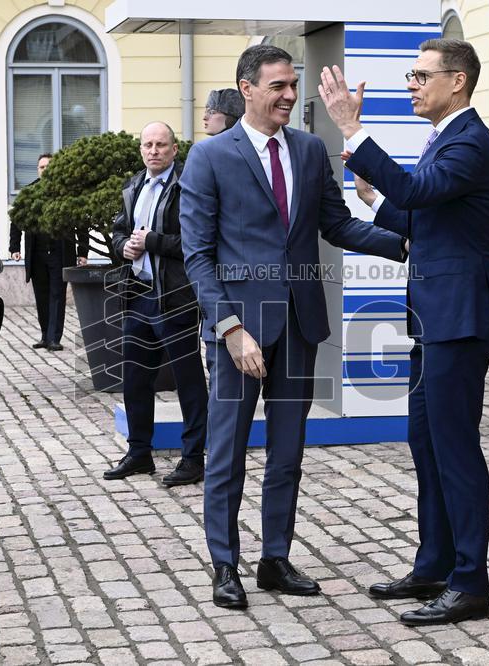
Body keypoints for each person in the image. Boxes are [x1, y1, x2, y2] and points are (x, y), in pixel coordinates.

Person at [180, 45, 408, 610]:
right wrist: (230, 327)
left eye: (292, 84)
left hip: (301, 325)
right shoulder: (210, 157)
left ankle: (274, 559)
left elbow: (336, 224)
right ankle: (224, 564)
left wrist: (405, 243)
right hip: (240, 332)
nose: (289, 95)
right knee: (227, 450)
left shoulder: (308, 150)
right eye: (278, 85)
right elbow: (197, 256)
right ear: (246, 88)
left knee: (288, 452)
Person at [319, 38, 489, 625]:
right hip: (434, 320)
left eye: (421, 76)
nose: (412, 84)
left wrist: (352, 130)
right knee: (426, 446)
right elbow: (421, 217)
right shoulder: (445, 139)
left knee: (455, 450)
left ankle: (470, 583)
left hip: (459, 319)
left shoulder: (470, 140)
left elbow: (422, 193)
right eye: (410, 74)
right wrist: (376, 195)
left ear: (458, 81)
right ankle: (435, 566)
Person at [107, 121, 208, 487]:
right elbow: (118, 231)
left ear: (174, 149)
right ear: (140, 149)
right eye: (148, 144)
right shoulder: (134, 185)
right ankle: (139, 454)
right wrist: (124, 247)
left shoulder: (187, 186)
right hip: (138, 294)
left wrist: (152, 242)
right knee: (135, 379)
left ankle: (194, 458)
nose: (154, 151)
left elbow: (195, 242)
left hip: (175, 297)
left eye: (161, 145)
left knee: (188, 380)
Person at [10, 153, 89, 352]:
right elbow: (16, 221)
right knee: (42, 296)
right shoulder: (29, 192)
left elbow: (82, 225)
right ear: (38, 170)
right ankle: (45, 336)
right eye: (42, 167)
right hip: (36, 254)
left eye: (49, 167)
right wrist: (14, 248)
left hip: (59, 254)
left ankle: (55, 338)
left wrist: (83, 251)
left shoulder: (68, 193)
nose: (45, 170)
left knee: (57, 295)